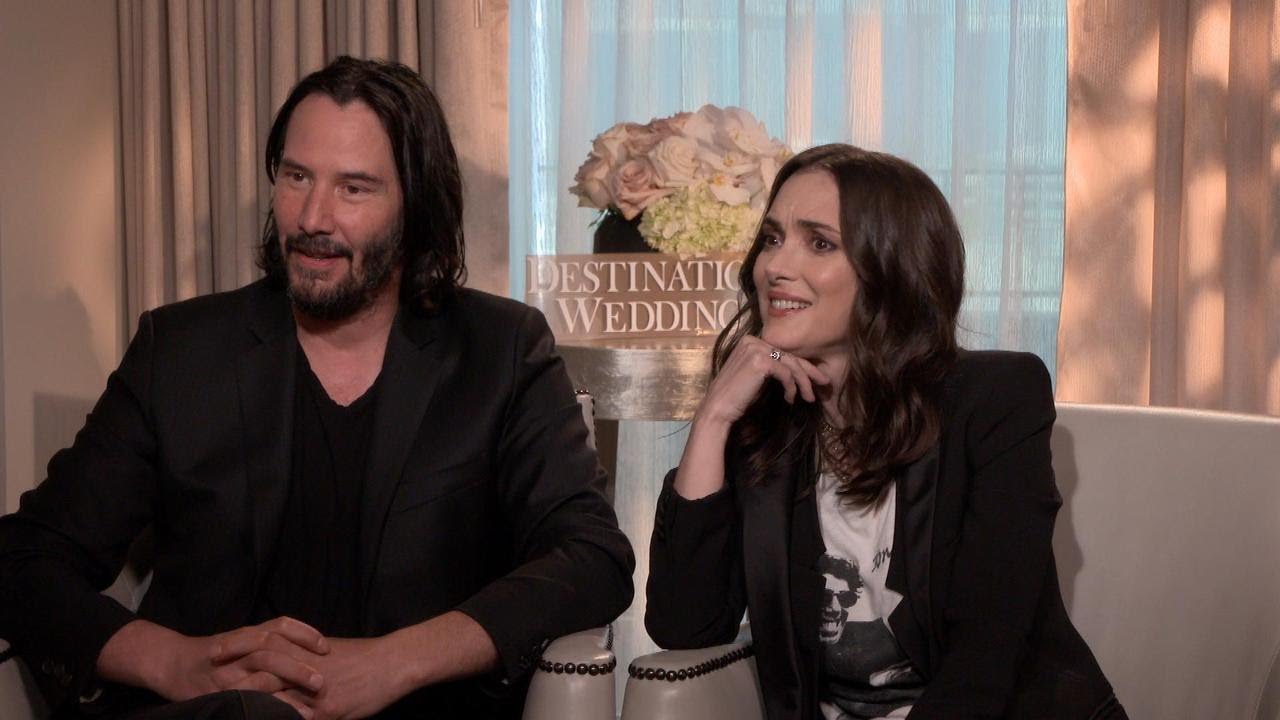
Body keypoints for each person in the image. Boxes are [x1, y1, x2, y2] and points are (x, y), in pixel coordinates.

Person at [0, 56, 634, 720]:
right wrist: (174, 661)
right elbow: (26, 560)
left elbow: (591, 556)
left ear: (415, 208)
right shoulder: (181, 352)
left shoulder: (500, 351)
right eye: (296, 176)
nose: (311, 217)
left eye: (353, 188)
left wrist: (393, 663)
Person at [644, 144, 1125, 719]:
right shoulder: (769, 424)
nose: (773, 266)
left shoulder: (996, 399)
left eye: (820, 243)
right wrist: (713, 419)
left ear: (891, 271)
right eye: (771, 238)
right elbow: (685, 626)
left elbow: (985, 660)